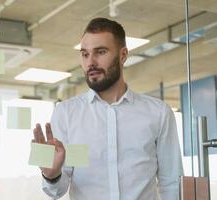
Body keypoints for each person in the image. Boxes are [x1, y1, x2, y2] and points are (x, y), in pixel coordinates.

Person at [33, 18, 183, 200]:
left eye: (100, 52)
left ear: (123, 55)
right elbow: (55, 191)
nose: (91, 62)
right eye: (85, 54)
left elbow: (172, 183)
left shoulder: (158, 113)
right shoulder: (65, 113)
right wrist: (51, 175)